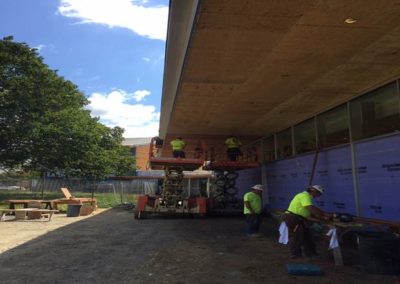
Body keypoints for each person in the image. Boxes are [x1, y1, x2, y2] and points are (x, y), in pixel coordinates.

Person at [283, 185, 333, 259]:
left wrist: (321, 217)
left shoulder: (306, 197)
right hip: (294, 218)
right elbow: (310, 207)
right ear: (314, 191)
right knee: (296, 236)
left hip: (299, 218)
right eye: (318, 194)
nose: (318, 196)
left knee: (307, 236)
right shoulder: (304, 196)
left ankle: (311, 253)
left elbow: (308, 212)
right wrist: (325, 214)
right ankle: (295, 255)